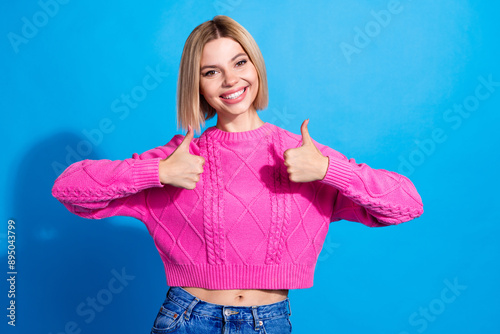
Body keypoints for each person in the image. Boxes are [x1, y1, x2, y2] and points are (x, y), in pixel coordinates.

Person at [52, 15, 423, 334]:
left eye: (239, 63)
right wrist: (158, 171)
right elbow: (68, 188)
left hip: (270, 320)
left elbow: (406, 203)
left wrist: (328, 170)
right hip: (186, 318)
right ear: (196, 85)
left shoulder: (303, 156)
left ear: (256, 66)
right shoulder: (180, 158)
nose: (230, 80)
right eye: (212, 72)